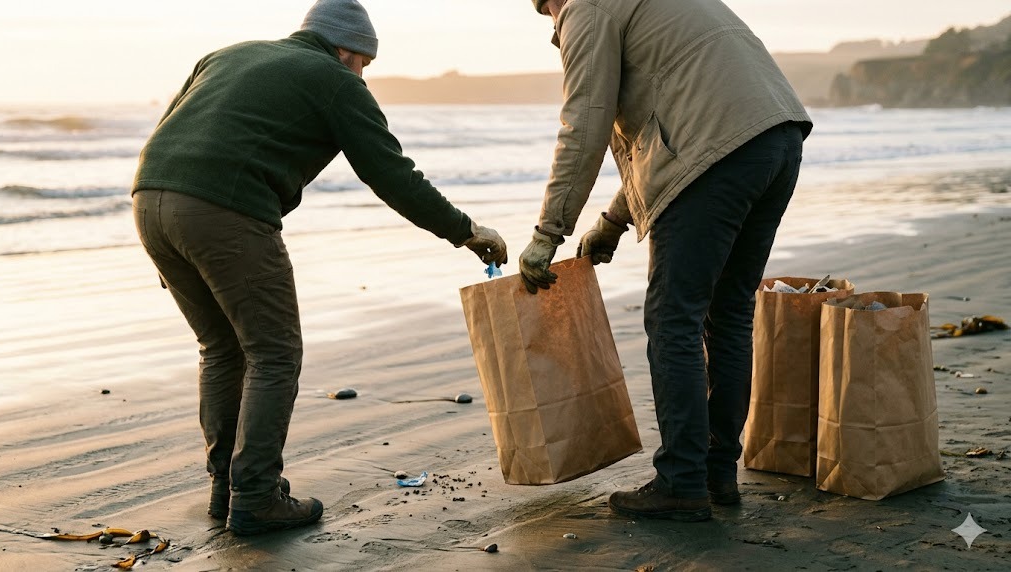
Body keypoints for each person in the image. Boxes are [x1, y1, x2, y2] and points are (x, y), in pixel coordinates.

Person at [131, 0, 507, 536]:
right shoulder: (336, 80)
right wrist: (466, 231)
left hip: (150, 201)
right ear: (350, 51)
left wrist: (175, 226)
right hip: (226, 209)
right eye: (366, 66)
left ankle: (226, 488)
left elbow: (173, 129)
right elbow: (392, 174)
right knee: (274, 352)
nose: (363, 77)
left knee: (221, 349)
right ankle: (256, 495)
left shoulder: (226, 54)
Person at [520, 0, 812, 521]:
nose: (552, 23)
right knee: (729, 313)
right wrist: (612, 222)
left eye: (546, 12)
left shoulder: (585, 6)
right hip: (778, 134)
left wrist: (549, 231)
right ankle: (717, 474)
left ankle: (681, 480)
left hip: (721, 150)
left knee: (673, 317)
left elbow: (586, 120)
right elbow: (665, 125)